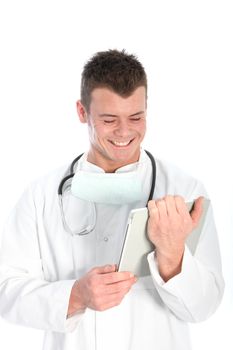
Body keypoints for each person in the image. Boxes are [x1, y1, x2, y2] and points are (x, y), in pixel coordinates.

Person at [0, 49, 224, 350]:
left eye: (136, 117)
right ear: (82, 113)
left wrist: (172, 256)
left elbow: (205, 306)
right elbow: (5, 290)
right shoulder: (41, 195)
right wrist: (76, 295)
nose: (124, 131)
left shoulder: (184, 190)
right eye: (109, 120)